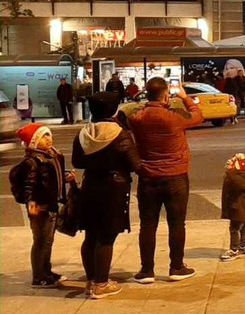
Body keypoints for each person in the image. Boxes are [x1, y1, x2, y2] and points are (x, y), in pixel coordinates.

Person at [126, 77, 203, 283]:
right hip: (175, 176)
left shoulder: (137, 117)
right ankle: (176, 267)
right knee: (177, 223)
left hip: (148, 177)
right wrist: (185, 97)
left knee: (148, 224)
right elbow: (198, 115)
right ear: (166, 95)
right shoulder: (174, 117)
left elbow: (122, 115)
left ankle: (146, 270)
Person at [72, 92, 141, 299]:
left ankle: (91, 280)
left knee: (91, 235)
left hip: (90, 185)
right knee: (107, 236)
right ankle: (101, 284)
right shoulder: (119, 133)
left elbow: (77, 162)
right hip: (114, 188)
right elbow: (134, 164)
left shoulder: (84, 133)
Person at [8, 124, 70, 287]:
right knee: (41, 241)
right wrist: (31, 204)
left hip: (51, 204)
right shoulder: (33, 161)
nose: (49, 139)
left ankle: (46, 271)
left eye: (49, 135)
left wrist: (65, 177)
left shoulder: (52, 155)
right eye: (44, 136)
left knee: (47, 241)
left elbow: (49, 178)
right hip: (40, 207)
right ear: (34, 142)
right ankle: (39, 276)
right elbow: (30, 185)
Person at [220, 153, 245, 261]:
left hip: (238, 208)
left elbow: (232, 178)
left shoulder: (240, 179)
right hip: (240, 208)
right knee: (242, 227)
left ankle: (234, 249)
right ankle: (244, 246)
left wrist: (229, 168)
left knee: (234, 229)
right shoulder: (244, 177)